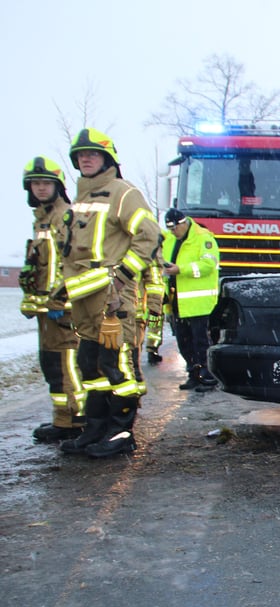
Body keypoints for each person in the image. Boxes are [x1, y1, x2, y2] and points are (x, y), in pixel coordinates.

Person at [48, 128, 162, 458]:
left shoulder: (123, 193)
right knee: (90, 366)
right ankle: (95, 429)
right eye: (81, 155)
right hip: (83, 299)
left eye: (93, 154)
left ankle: (121, 433)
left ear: (107, 158)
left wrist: (124, 273)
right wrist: (62, 288)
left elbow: (149, 236)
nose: (86, 158)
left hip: (113, 300)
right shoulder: (79, 200)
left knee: (118, 368)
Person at [19, 156, 85, 442]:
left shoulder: (64, 216)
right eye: (36, 184)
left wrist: (61, 301)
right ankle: (62, 419)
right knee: (51, 365)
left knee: (67, 364)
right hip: (47, 310)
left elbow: (69, 263)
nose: (41, 189)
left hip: (64, 309)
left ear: (58, 186)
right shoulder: (42, 219)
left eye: (46, 183)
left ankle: (77, 420)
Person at [162, 208, 220, 392]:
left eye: (174, 228)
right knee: (183, 341)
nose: (173, 232)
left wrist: (181, 269)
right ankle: (193, 374)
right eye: (169, 228)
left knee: (200, 341)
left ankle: (207, 376)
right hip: (176, 301)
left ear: (183, 222)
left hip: (198, 302)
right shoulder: (169, 239)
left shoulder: (203, 238)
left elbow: (208, 265)